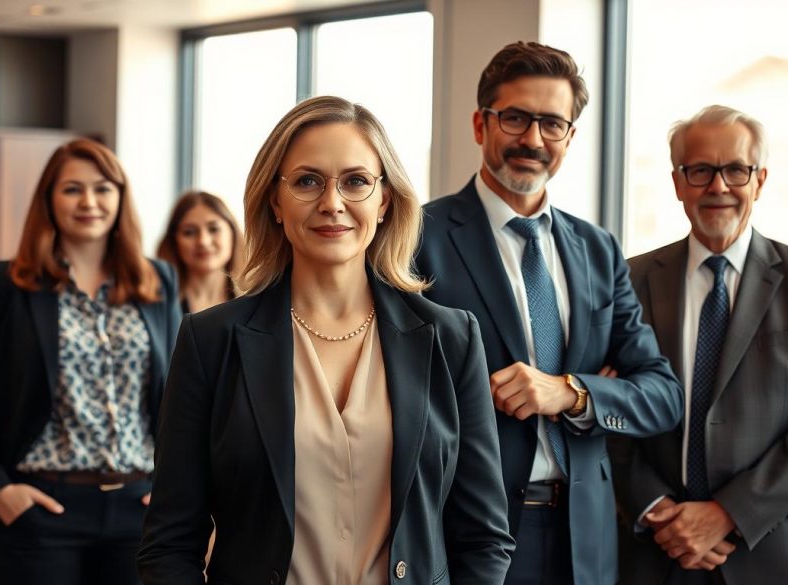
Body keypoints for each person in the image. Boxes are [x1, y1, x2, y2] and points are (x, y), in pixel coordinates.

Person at [138, 95, 515, 585]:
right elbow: (169, 542)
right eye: (308, 181)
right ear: (275, 200)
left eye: (356, 181)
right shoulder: (211, 340)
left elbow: (483, 537)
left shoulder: (451, 338)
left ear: (384, 201)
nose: (331, 203)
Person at [413, 41, 684, 585]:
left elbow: (662, 395)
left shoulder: (598, 249)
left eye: (552, 124)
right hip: (466, 530)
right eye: (515, 118)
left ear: (569, 137)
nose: (533, 139)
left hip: (586, 534)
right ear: (480, 124)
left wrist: (574, 392)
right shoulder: (419, 238)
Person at [611, 105, 788, 585]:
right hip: (657, 551)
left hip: (780, 550)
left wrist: (726, 513)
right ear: (679, 183)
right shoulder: (628, 280)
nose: (718, 187)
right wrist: (659, 511)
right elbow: (611, 412)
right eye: (700, 170)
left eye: (736, 170)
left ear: (759, 180)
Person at [0, 138, 182, 585]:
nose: (89, 201)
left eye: (103, 188)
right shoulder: (3, 285)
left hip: (138, 511)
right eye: (72, 189)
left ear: (121, 197)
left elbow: (180, 397)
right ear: (48, 199)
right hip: (40, 510)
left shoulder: (156, 280)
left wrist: (174, 486)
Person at [157, 190, 244, 313]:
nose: (203, 241)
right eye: (189, 232)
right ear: (173, 241)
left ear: (232, 233)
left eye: (213, 229)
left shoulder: (256, 300)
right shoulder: (156, 303)